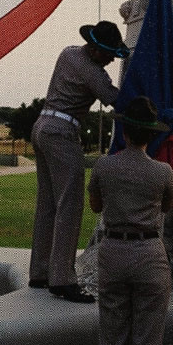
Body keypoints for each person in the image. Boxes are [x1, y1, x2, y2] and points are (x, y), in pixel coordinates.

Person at [86, 96, 173, 345]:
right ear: (150, 135)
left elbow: (96, 205)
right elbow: (167, 206)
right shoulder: (163, 172)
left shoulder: (103, 167)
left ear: (123, 130)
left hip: (113, 251)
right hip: (149, 254)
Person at [30, 20, 128, 303]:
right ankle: (62, 279)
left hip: (42, 126)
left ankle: (40, 271)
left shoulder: (68, 53)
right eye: (109, 53)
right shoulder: (92, 72)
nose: (111, 59)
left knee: (48, 203)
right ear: (95, 49)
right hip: (62, 133)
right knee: (70, 204)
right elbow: (114, 100)